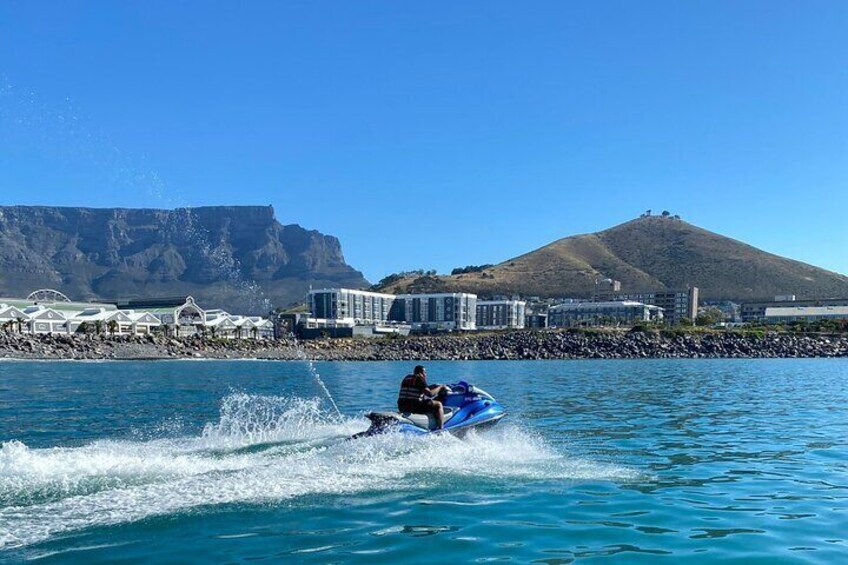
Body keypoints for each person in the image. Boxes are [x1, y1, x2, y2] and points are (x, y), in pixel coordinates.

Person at [397, 365, 448, 429]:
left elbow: (418, 388)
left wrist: (432, 386)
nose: (426, 375)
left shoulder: (407, 378)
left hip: (401, 406)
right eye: (425, 372)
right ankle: (441, 428)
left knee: (427, 401)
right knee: (438, 404)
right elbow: (430, 394)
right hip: (413, 407)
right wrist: (441, 387)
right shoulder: (419, 378)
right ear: (421, 372)